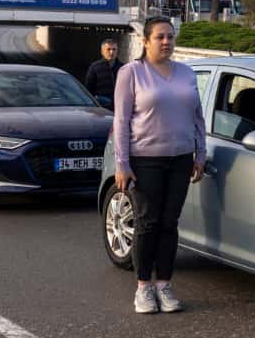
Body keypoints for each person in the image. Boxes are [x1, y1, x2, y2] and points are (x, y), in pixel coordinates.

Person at [114, 16, 206, 314]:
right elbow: (121, 120)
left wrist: (200, 155)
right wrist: (122, 163)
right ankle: (143, 287)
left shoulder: (186, 73)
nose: (166, 42)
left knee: (169, 224)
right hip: (145, 160)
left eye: (170, 36)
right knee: (148, 223)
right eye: (160, 37)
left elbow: (197, 117)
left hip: (180, 159)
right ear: (146, 41)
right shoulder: (132, 73)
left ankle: (164, 284)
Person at [85, 38, 121, 103]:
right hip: (102, 105)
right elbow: (88, 89)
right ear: (102, 52)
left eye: (114, 49)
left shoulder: (123, 68)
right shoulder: (95, 67)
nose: (111, 52)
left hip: (119, 104)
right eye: (108, 49)